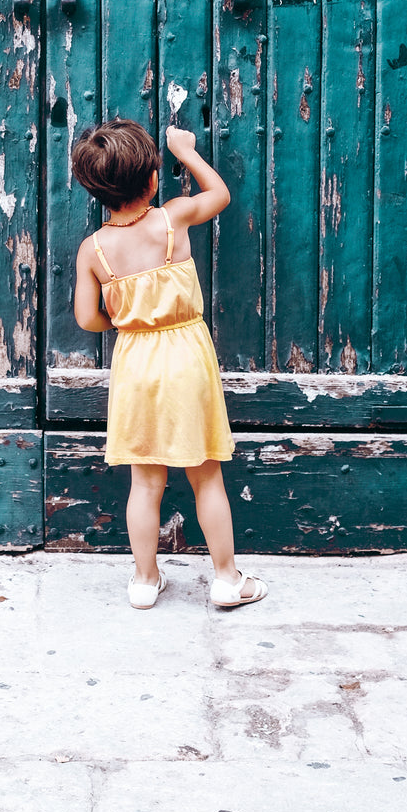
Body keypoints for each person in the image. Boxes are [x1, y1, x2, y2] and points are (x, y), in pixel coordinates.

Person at [71, 119, 267, 611]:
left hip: (136, 361)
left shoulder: (93, 251)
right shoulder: (172, 219)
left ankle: (143, 580)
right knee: (206, 475)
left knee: (145, 480)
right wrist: (186, 150)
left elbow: (86, 318)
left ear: (95, 190)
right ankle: (226, 579)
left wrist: (125, 321)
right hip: (186, 356)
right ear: (154, 179)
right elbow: (218, 194)